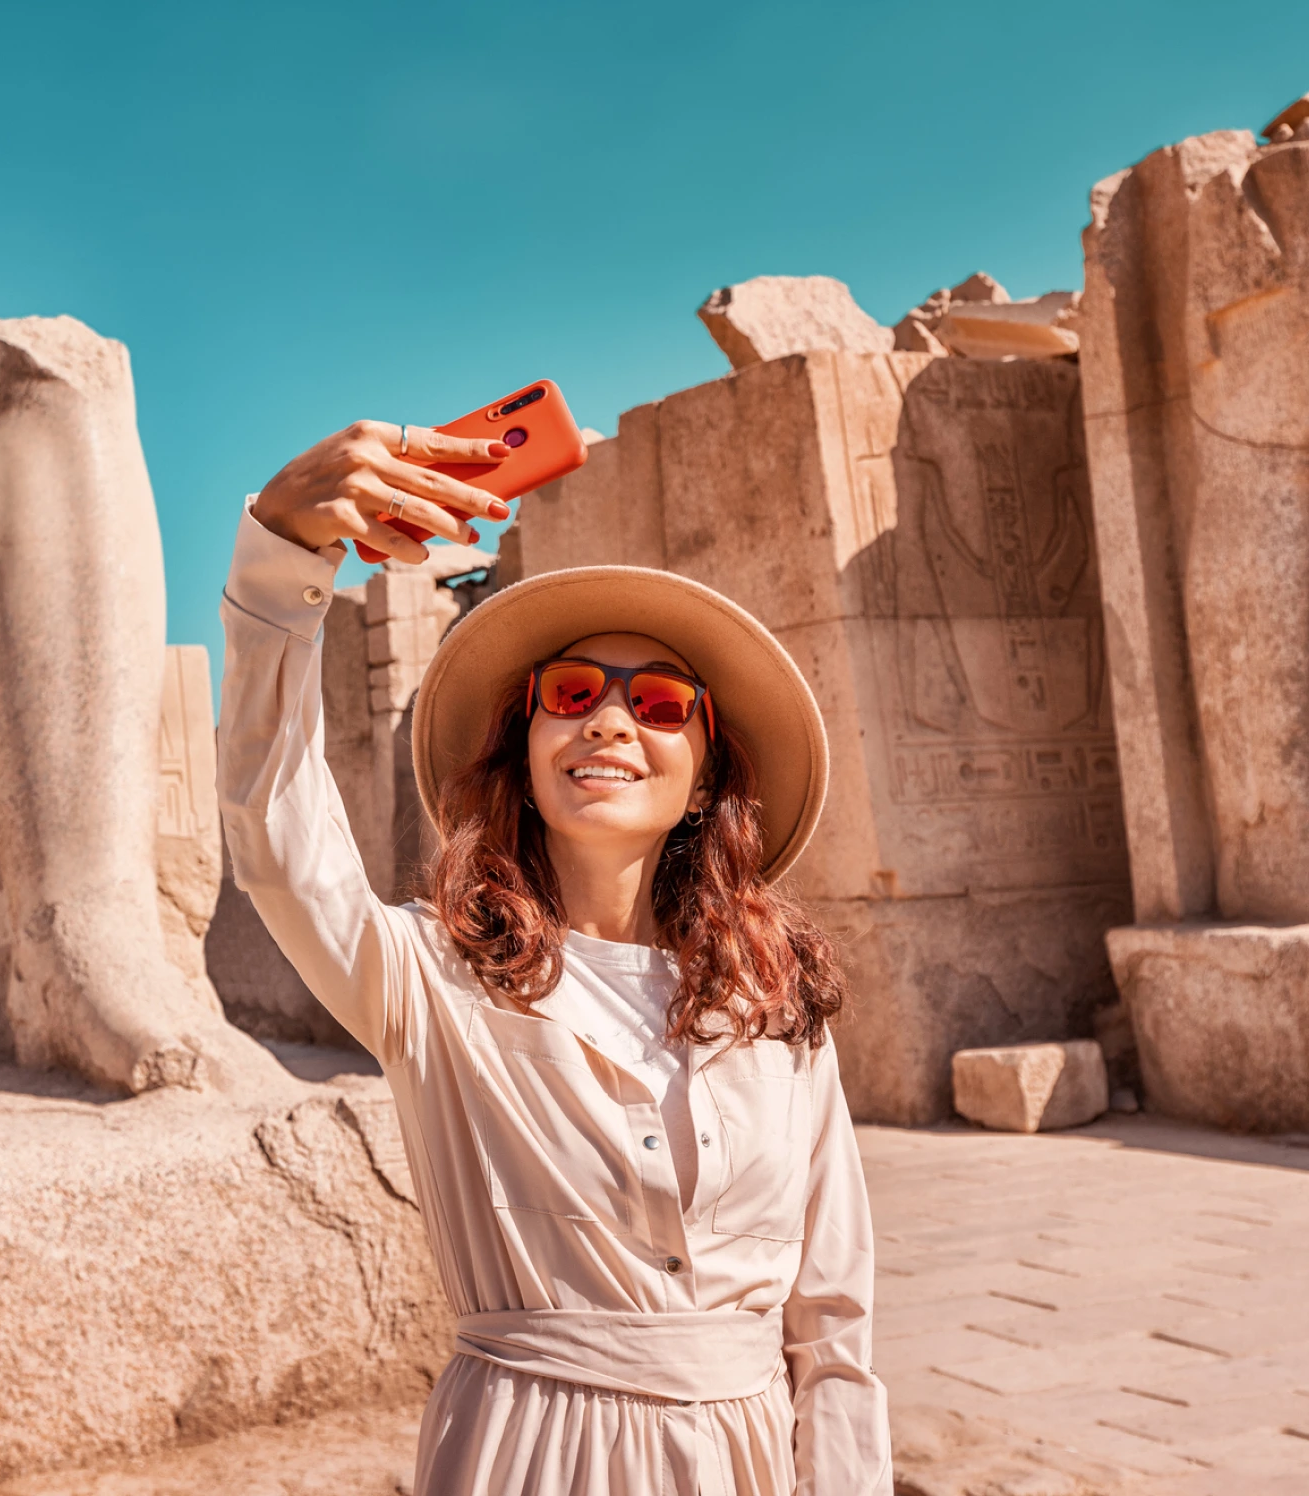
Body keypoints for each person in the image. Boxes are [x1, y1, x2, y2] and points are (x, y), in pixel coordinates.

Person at [218, 417, 893, 1494]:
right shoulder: (431, 981)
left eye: (662, 704)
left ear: (707, 777)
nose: (613, 719)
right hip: (531, 1453)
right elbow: (275, 837)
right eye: (571, 693)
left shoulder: (772, 1003)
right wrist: (280, 565)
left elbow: (834, 1317)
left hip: (751, 1459)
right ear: (521, 750)